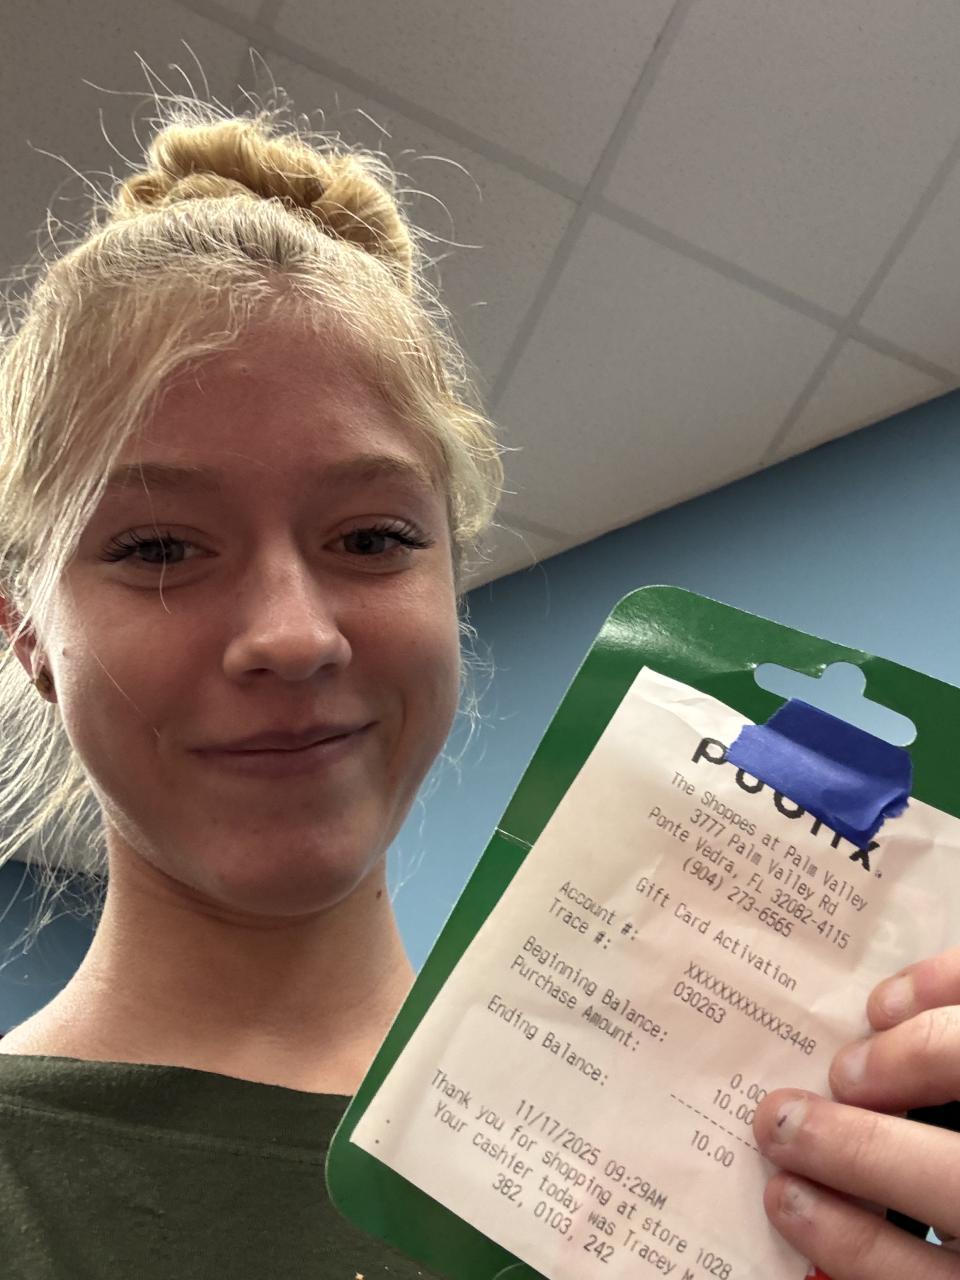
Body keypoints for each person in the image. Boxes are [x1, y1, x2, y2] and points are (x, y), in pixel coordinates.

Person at [0, 90, 957, 1280]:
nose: (293, 635)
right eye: (157, 548)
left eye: (371, 538)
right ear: (27, 628)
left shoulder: (726, 1169)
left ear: (451, 582)